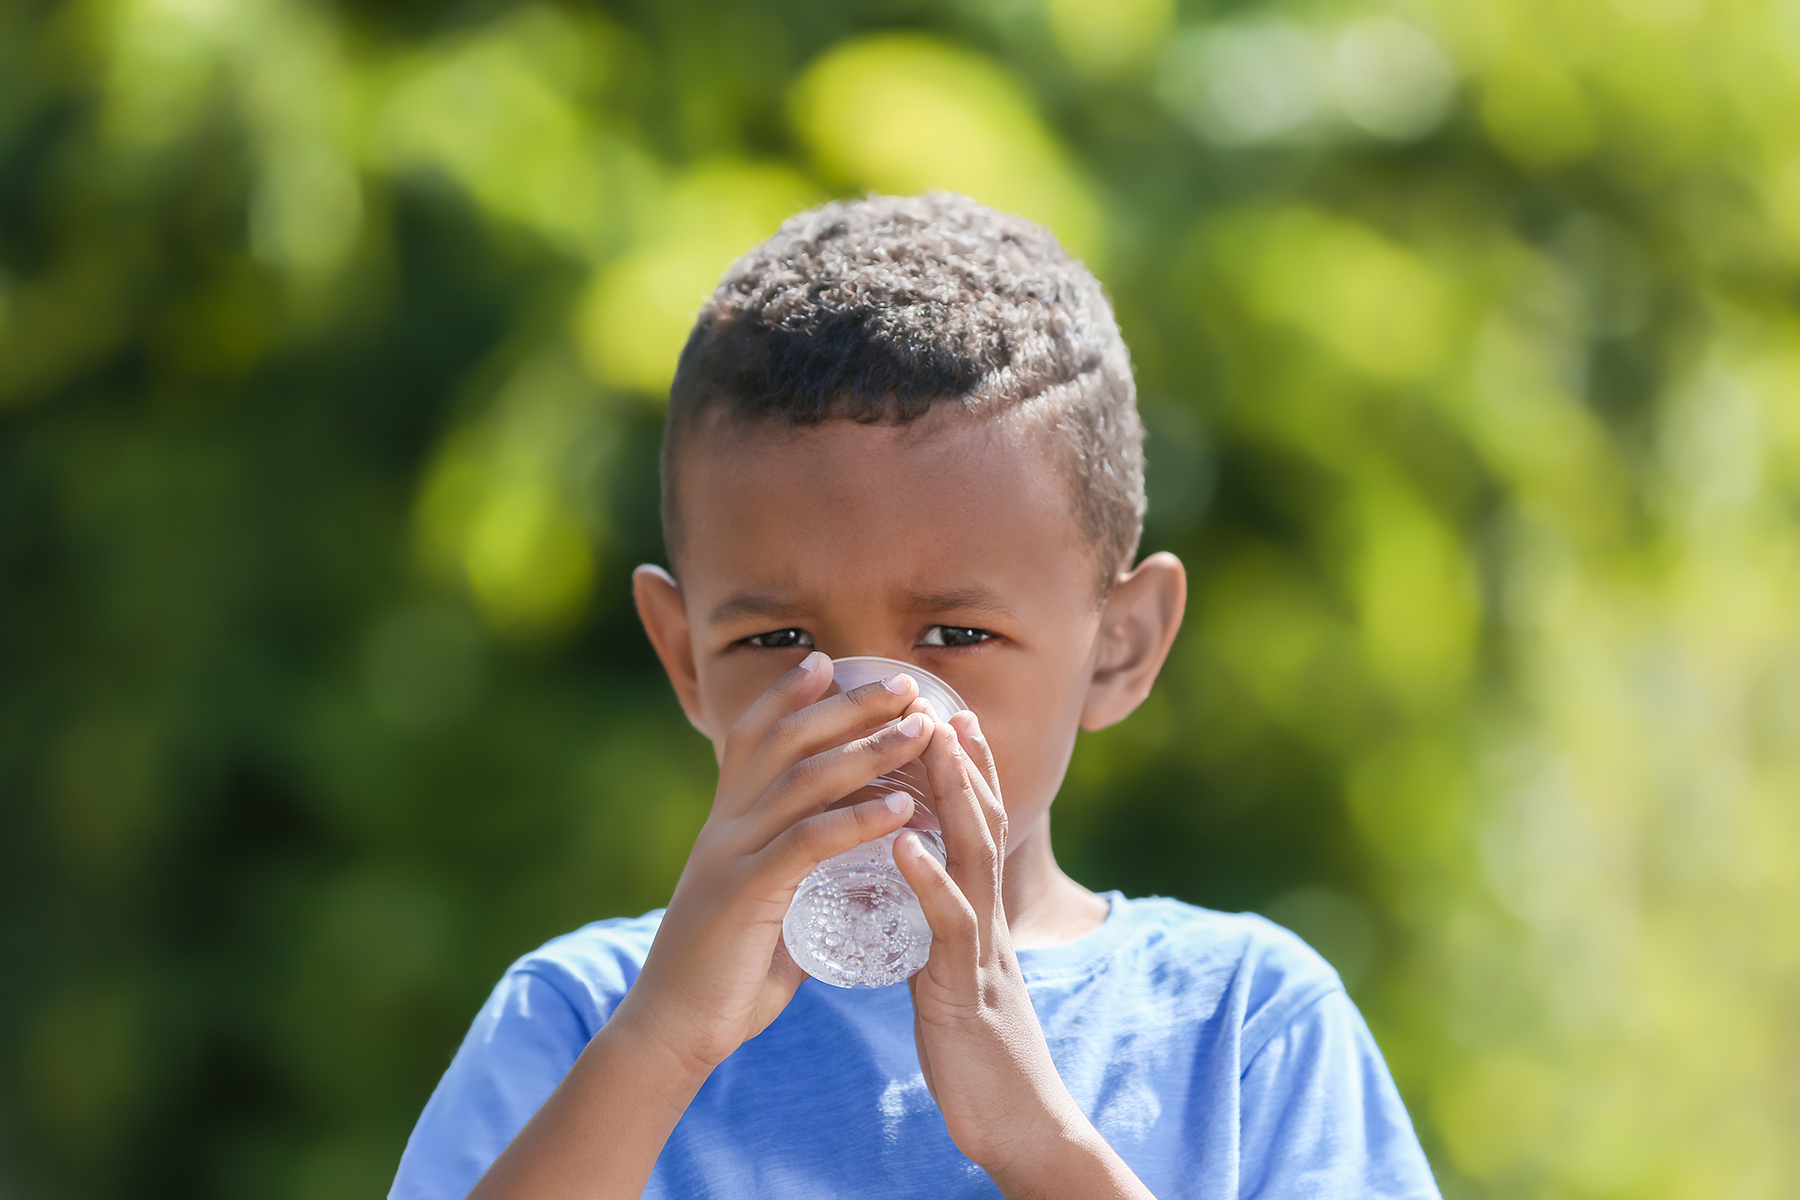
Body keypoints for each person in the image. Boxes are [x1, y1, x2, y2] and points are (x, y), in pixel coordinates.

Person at [389, 193, 1440, 1199]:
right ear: (686, 659)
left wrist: (1035, 1137)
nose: (876, 712)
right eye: (779, 640)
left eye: (956, 636)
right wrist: (663, 1043)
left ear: (1119, 647)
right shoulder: (579, 1020)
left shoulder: (1244, 1026)